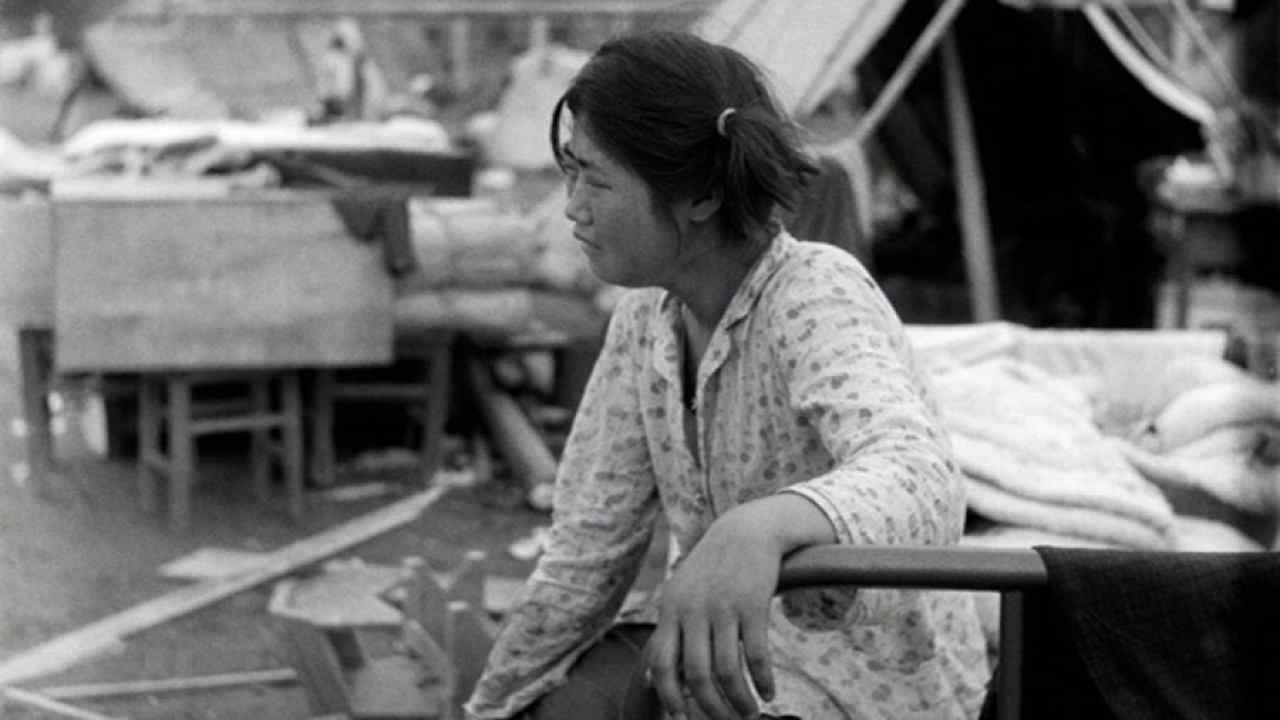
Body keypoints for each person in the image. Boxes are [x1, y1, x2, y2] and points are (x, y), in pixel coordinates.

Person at [464, 30, 989, 720]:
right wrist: (493, 704)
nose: (572, 206)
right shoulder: (644, 320)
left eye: (596, 179)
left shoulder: (814, 294)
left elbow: (920, 476)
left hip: (864, 686)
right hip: (723, 656)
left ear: (702, 195)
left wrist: (761, 528)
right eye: (571, 173)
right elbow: (586, 552)